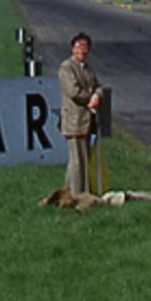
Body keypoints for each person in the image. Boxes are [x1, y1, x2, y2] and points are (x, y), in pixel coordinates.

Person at [58, 32, 104, 195]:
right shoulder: (66, 67)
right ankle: (78, 194)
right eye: (78, 47)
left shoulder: (88, 68)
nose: (82, 50)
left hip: (86, 121)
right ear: (72, 48)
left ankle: (68, 192)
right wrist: (91, 97)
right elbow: (73, 92)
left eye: (85, 47)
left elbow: (99, 86)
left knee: (79, 160)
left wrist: (97, 95)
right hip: (74, 120)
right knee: (78, 161)